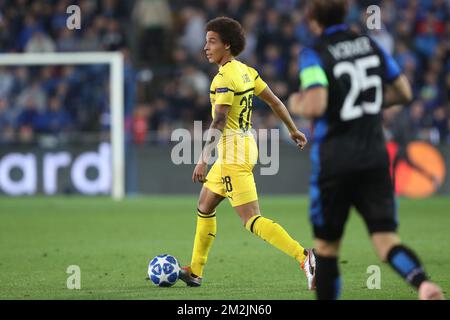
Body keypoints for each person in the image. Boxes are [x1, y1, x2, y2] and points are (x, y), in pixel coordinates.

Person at [288, 0, 444, 300]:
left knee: (327, 249)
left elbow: (316, 104)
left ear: (311, 18)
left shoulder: (314, 52)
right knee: (386, 242)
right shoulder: (369, 45)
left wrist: (296, 102)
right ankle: (423, 283)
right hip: (374, 157)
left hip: (335, 161)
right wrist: (366, 103)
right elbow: (404, 92)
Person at [179, 16, 316, 290]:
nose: (206, 47)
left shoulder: (224, 78)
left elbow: (218, 121)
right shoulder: (246, 71)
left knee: (251, 218)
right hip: (244, 144)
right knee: (205, 206)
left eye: (212, 41)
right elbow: (275, 101)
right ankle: (195, 270)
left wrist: (203, 157)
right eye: (206, 41)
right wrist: (292, 129)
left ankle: (306, 258)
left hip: (231, 154)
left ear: (227, 45)